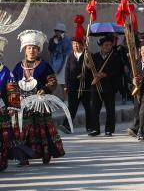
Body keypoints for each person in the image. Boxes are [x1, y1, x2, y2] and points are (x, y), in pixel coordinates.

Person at [13, 30, 65, 165]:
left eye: (35, 48)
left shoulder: (44, 66)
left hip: (40, 104)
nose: (32, 51)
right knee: (23, 131)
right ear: (25, 50)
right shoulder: (18, 68)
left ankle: (45, 154)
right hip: (24, 106)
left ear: (38, 50)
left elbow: (52, 81)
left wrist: (45, 89)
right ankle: (23, 157)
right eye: (29, 48)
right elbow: (11, 85)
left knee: (43, 129)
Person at [89, 35, 124, 137]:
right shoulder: (94, 57)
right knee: (95, 108)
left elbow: (119, 71)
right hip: (97, 86)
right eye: (106, 45)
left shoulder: (115, 56)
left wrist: (106, 75)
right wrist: (92, 71)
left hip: (109, 86)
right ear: (101, 46)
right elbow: (89, 71)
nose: (108, 47)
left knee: (110, 109)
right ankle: (95, 129)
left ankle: (109, 129)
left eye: (110, 45)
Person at [62, 34, 92, 134]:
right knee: (72, 108)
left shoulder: (87, 55)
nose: (76, 46)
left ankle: (90, 127)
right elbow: (67, 71)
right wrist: (66, 85)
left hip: (85, 87)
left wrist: (86, 75)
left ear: (83, 45)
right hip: (73, 87)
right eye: (74, 44)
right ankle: (67, 126)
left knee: (88, 108)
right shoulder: (70, 56)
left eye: (78, 44)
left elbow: (93, 70)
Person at [0, 36, 21, 171]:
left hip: (1, 110)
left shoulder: (5, 71)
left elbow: (12, 88)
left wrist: (13, 105)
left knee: (3, 138)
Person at [48, 23, 71, 92]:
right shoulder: (52, 39)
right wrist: (55, 42)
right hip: (55, 62)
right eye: (57, 31)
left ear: (63, 32)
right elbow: (50, 49)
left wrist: (61, 40)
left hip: (64, 61)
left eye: (60, 31)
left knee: (64, 81)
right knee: (54, 81)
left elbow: (66, 48)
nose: (58, 32)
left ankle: (66, 100)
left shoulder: (67, 39)